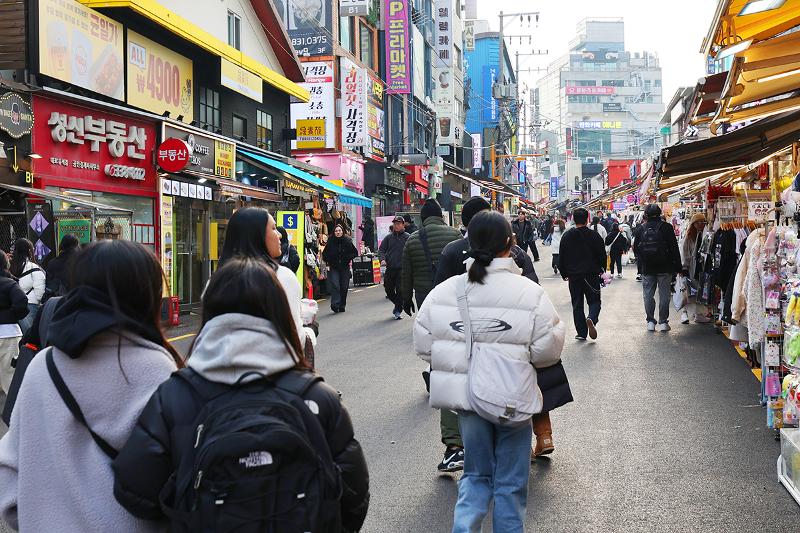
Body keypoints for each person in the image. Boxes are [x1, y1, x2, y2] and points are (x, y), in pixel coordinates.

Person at [112, 257, 370, 533]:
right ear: (279, 311)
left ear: (209, 312)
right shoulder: (316, 396)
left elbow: (136, 491)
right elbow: (354, 495)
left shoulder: (175, 395)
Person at [0, 240, 182, 532]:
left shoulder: (44, 366)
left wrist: (40, 519)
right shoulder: (157, 369)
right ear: (146, 293)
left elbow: (8, 474)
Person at [414, 211, 565, 532]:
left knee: (475, 477)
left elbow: (425, 345)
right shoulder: (529, 292)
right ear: (510, 244)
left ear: (468, 241)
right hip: (514, 399)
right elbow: (548, 350)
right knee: (510, 486)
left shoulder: (444, 293)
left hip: (468, 400)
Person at [431, 197, 540, 473]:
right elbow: (539, 312)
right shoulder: (514, 255)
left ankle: (455, 447)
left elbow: (434, 307)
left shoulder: (453, 251)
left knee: (456, 389)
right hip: (508, 350)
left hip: (461, 345)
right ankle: (519, 443)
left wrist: (443, 340)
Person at [219, 207, 311, 346]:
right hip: (271, 363)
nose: (279, 235)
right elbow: (295, 338)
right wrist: (311, 331)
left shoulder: (218, 279)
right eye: (273, 229)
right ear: (257, 236)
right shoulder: (281, 277)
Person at [400, 199, 462, 313]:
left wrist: (407, 299)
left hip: (424, 295)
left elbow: (406, 274)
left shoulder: (412, 240)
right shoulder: (456, 235)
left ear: (422, 218)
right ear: (441, 216)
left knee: (428, 328)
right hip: (451, 293)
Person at [558, 208, 606, 341]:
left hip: (574, 276)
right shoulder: (594, 235)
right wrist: (601, 269)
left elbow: (561, 257)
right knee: (594, 301)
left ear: (573, 219)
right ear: (587, 219)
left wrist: (564, 273)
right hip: (591, 274)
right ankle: (591, 318)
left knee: (577, 303)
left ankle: (581, 332)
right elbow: (602, 255)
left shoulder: (567, 236)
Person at [634, 204, 683, 332]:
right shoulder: (666, 227)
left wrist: (642, 264)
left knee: (648, 295)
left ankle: (650, 321)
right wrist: (678, 266)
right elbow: (674, 248)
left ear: (646, 215)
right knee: (664, 295)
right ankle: (663, 322)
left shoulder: (640, 228)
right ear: (660, 213)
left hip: (647, 268)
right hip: (664, 267)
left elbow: (636, 249)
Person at [0, 252, 29, 393]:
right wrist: (11, 316)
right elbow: (22, 303)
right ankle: (11, 412)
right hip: (9, 333)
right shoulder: (10, 283)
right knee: (10, 376)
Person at [680, 212, 711, 324]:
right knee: (688, 291)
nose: (701, 224)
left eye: (703, 222)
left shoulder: (705, 235)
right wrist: (684, 269)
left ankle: (699, 314)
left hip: (701, 268)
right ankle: (684, 313)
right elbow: (685, 253)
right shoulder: (689, 237)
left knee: (699, 291)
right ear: (694, 224)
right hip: (690, 268)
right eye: (699, 222)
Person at [10, 238, 44, 335]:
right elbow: (40, 289)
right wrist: (38, 301)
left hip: (12, 305)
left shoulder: (9, 267)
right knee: (29, 336)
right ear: (29, 250)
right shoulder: (33, 267)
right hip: (30, 305)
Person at [322, 224, 359, 313]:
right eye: (336, 231)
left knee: (344, 287)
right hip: (334, 267)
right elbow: (325, 254)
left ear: (342, 232)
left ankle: (342, 304)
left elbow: (355, 253)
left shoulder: (347, 241)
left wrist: (347, 258)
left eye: (339, 231)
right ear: (334, 232)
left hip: (344, 267)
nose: (338, 232)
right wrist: (329, 260)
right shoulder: (330, 241)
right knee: (335, 285)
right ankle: (335, 304)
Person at [379, 215, 410, 320]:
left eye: (398, 224)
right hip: (390, 268)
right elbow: (381, 250)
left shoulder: (408, 237)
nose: (396, 226)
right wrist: (382, 259)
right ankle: (399, 305)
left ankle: (397, 310)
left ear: (403, 225)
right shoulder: (388, 237)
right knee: (388, 290)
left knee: (400, 290)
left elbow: (413, 251)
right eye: (395, 224)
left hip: (403, 269)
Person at [45, 234, 80, 298]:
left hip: (57, 301)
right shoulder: (80, 262)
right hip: (75, 300)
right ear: (76, 246)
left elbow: (48, 285)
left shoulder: (52, 263)